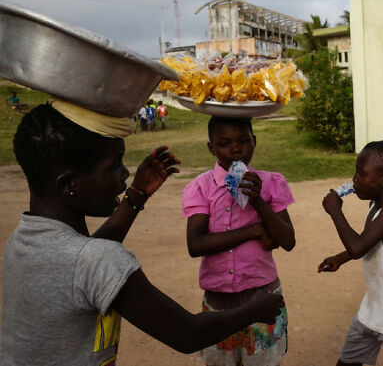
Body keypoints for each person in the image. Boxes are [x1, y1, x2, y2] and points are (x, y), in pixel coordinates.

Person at [0, 102, 284, 366]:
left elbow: (85, 257)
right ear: (68, 184)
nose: (125, 173)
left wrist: (136, 194)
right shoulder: (99, 261)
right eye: (114, 166)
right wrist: (255, 309)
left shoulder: (23, 239)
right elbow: (187, 333)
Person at [183, 115, 296, 366]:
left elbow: (287, 240)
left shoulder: (270, 183)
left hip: (262, 297)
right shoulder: (201, 187)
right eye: (224, 143)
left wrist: (258, 200)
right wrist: (255, 230)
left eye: (244, 141)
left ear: (254, 141)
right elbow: (196, 244)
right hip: (219, 305)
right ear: (211, 148)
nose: (235, 149)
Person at [319, 140, 383, 366]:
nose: (355, 180)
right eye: (355, 173)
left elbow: (357, 248)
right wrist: (340, 258)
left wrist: (335, 211)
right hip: (372, 312)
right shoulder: (376, 205)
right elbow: (368, 243)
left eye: (361, 174)